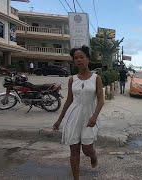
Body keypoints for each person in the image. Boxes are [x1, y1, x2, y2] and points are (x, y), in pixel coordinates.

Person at [53, 46, 104, 180]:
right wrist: (59, 120)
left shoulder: (96, 78)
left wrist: (94, 116)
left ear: (88, 59)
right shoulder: (72, 79)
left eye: (82, 57)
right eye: (76, 58)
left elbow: (101, 100)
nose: (79, 60)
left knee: (87, 149)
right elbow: (69, 101)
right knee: (74, 150)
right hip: (73, 116)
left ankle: (93, 156)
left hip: (89, 117)